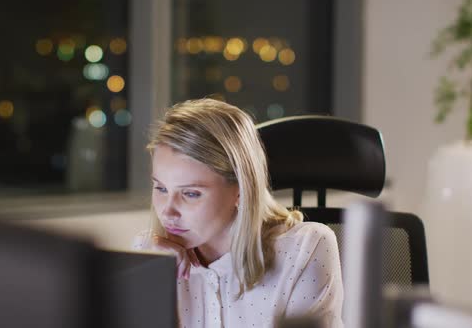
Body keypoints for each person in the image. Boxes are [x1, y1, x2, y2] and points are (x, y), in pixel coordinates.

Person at [133, 98, 343, 327]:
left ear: (241, 190)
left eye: (191, 194)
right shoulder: (149, 254)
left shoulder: (304, 249)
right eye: (161, 188)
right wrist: (153, 285)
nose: (168, 211)